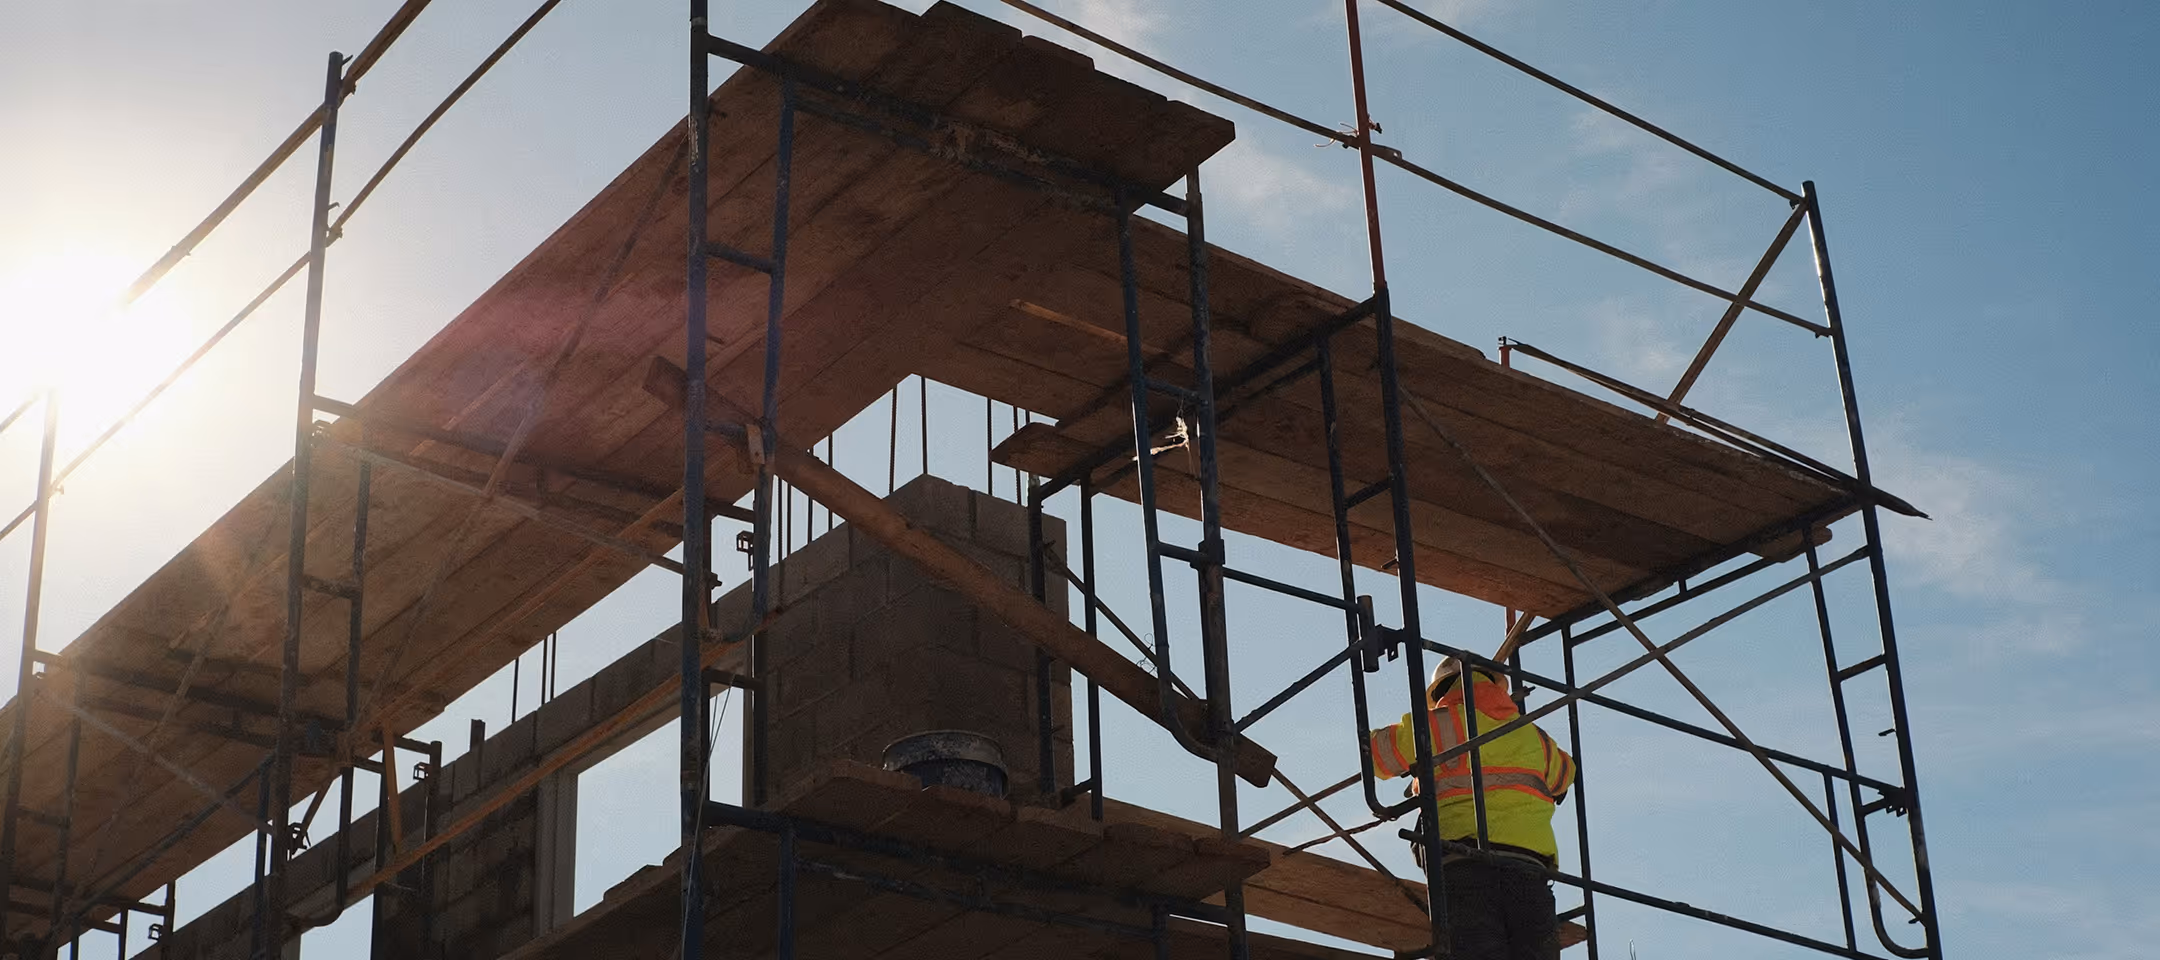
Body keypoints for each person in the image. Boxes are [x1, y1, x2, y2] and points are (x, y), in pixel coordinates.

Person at [1367, 658, 1576, 960]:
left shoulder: (1437, 724)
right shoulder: (1535, 738)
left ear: (1441, 692)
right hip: (1529, 872)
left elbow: (1375, 755)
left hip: (1465, 862)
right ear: (1495, 687)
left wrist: (1416, 766)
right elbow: (1566, 775)